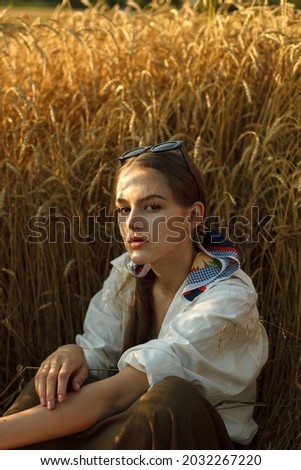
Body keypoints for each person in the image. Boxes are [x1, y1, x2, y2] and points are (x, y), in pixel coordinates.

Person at [1, 140, 269, 450]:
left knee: (170, 400)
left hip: (193, 444)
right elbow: (97, 358)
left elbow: (117, 394)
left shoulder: (228, 297)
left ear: (194, 216)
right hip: (132, 427)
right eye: (124, 209)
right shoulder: (128, 275)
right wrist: (73, 353)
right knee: (56, 381)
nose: (132, 223)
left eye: (152, 206)